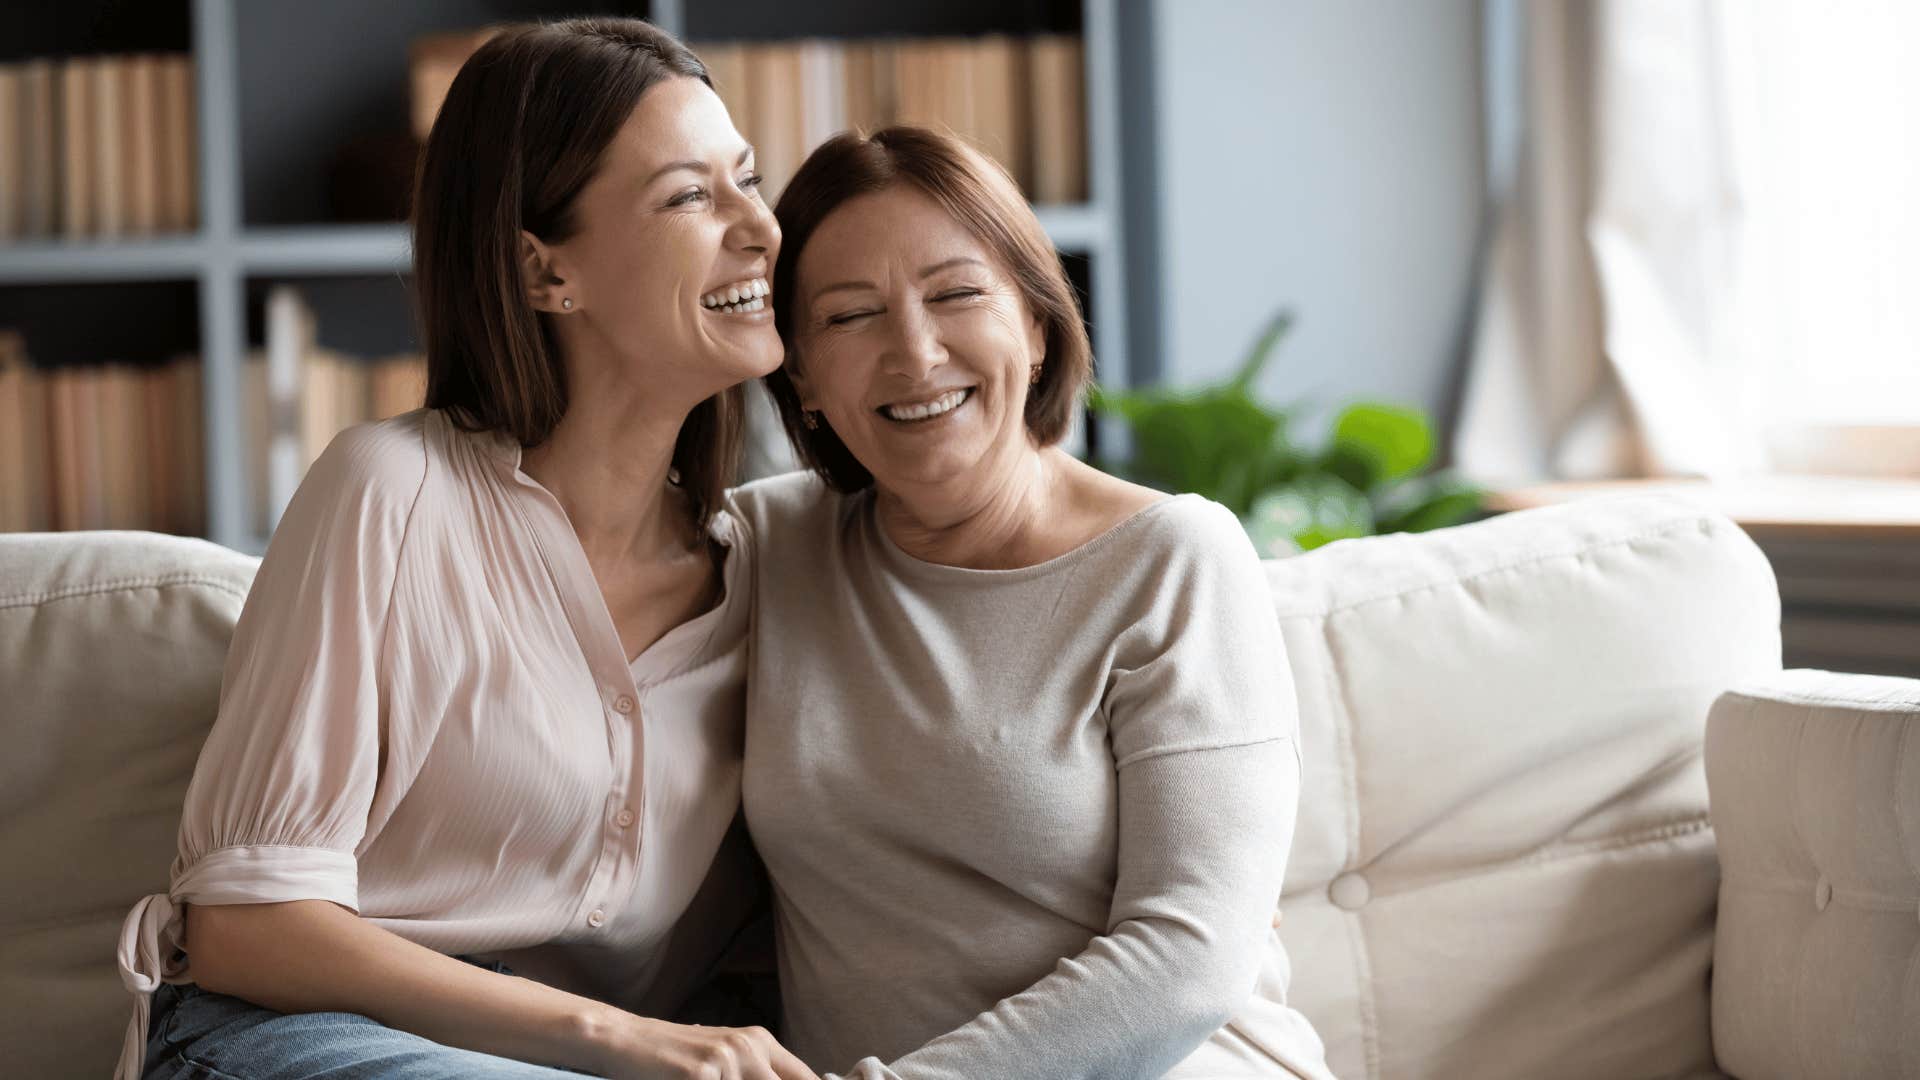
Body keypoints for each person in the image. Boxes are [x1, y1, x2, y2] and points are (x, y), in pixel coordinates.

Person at [115, 18, 814, 1080]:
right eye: (689, 196)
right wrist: (612, 1039)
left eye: (748, 180)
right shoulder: (390, 494)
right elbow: (245, 926)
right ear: (544, 274)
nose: (761, 229)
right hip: (299, 1037)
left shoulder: (766, 572)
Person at [727, 126, 1339, 1080]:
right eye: (850, 317)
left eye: (958, 293)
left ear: (1040, 323)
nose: (915, 352)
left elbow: (1189, 956)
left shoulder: (1174, 560)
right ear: (799, 374)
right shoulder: (768, 551)